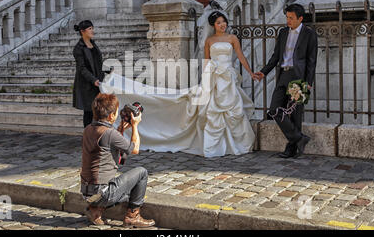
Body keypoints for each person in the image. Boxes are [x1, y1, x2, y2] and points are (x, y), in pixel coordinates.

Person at [99, 10, 256, 158]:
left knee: (234, 111)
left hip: (228, 78)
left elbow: (241, 57)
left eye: (223, 22)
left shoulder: (232, 38)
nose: (222, 25)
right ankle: (216, 146)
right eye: (218, 23)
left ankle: (236, 144)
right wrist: (205, 80)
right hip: (214, 78)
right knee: (213, 112)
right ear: (213, 26)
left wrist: (251, 73)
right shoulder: (210, 40)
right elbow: (207, 61)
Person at [80, 93, 156, 228]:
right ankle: (133, 216)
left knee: (129, 191)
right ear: (111, 116)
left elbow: (110, 147)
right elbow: (135, 149)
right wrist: (135, 125)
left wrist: (120, 129)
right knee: (141, 173)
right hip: (103, 193)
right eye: (116, 112)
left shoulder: (88, 129)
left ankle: (95, 210)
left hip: (87, 192)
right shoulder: (109, 133)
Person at [254, 4, 318, 158]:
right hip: (283, 75)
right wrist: (263, 72)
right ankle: (299, 138)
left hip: (299, 77)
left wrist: (309, 82)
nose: (288, 21)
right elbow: (275, 57)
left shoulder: (309, 34)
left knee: (295, 114)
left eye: (291, 18)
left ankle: (291, 149)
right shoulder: (283, 33)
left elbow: (312, 61)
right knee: (274, 109)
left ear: (300, 18)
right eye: (287, 17)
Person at [73, 20, 105, 128]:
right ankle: (88, 136)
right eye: (90, 29)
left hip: (97, 83)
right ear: (82, 31)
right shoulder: (78, 48)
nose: (92, 31)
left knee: (98, 111)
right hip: (87, 85)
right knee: (89, 112)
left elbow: (97, 62)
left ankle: (96, 134)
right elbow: (82, 68)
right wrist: (93, 80)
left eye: (92, 28)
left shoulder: (93, 44)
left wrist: (106, 71)